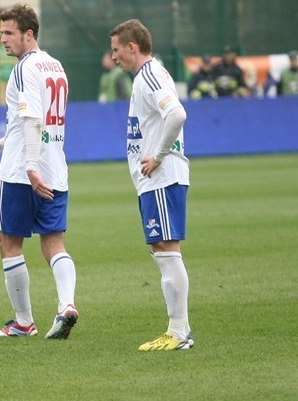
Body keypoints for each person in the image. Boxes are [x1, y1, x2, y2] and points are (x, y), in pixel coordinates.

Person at [0, 3, 78, 340]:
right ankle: (66, 305)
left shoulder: (23, 69)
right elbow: (32, 122)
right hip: (55, 168)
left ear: (28, 34)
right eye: (1, 33)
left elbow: (31, 119)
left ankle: (24, 322)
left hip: (21, 172)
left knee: (8, 242)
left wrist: (29, 166)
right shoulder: (55, 65)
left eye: (8, 33)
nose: (2, 39)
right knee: (54, 244)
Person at [109, 19, 193, 351]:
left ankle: (179, 330)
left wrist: (157, 155)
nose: (113, 57)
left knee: (167, 250)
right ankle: (179, 329)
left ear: (132, 47)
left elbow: (177, 114)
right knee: (162, 250)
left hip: (162, 177)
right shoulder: (147, 77)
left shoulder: (150, 76)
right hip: (155, 180)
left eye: (116, 50)